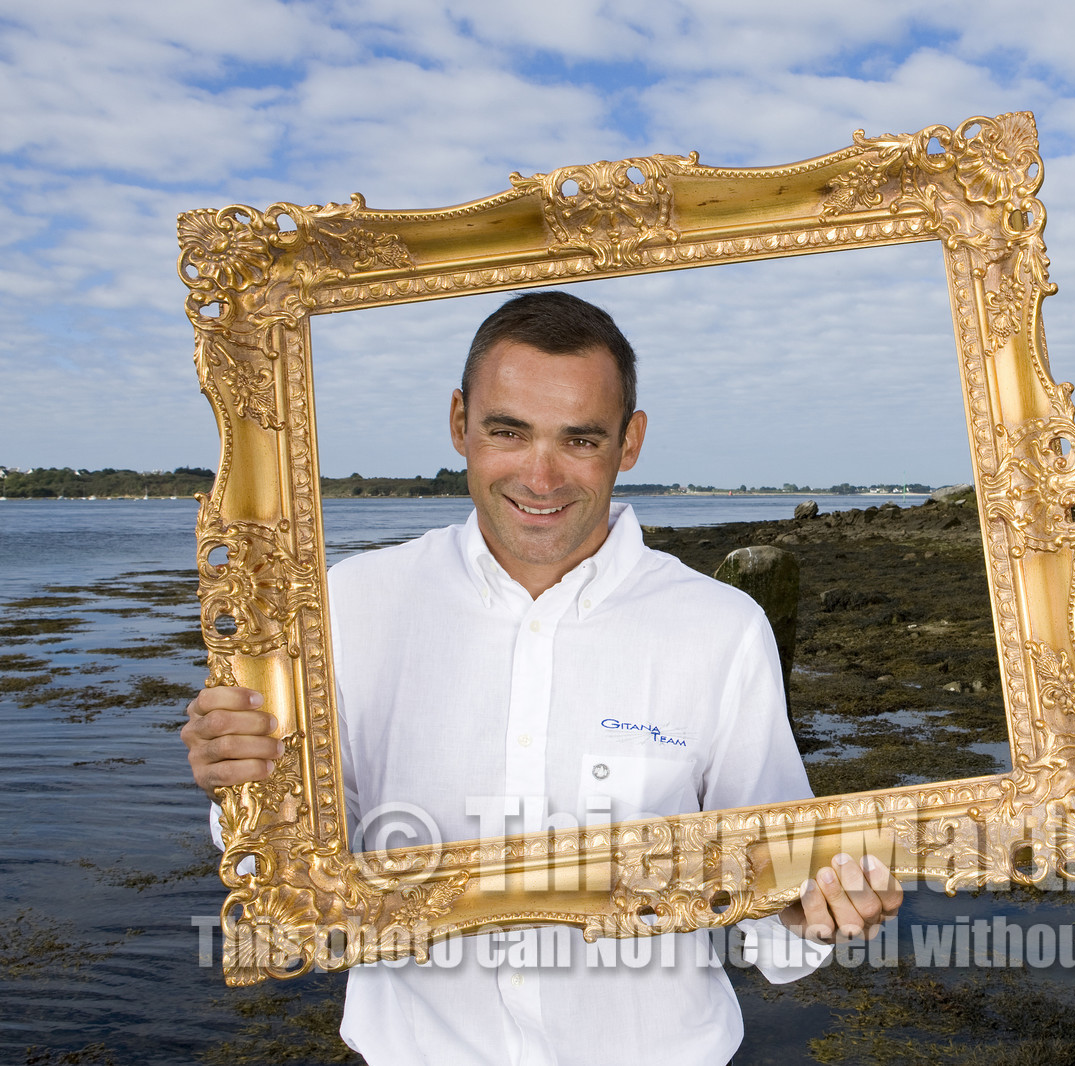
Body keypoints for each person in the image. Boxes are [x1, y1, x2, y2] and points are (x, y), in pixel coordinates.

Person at [182, 291, 902, 1065]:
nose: (541, 475)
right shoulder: (350, 605)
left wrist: (816, 907)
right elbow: (299, 861)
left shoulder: (720, 630)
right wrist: (247, 785)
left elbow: (773, 886)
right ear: (459, 422)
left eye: (580, 439)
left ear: (629, 442)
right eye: (509, 431)